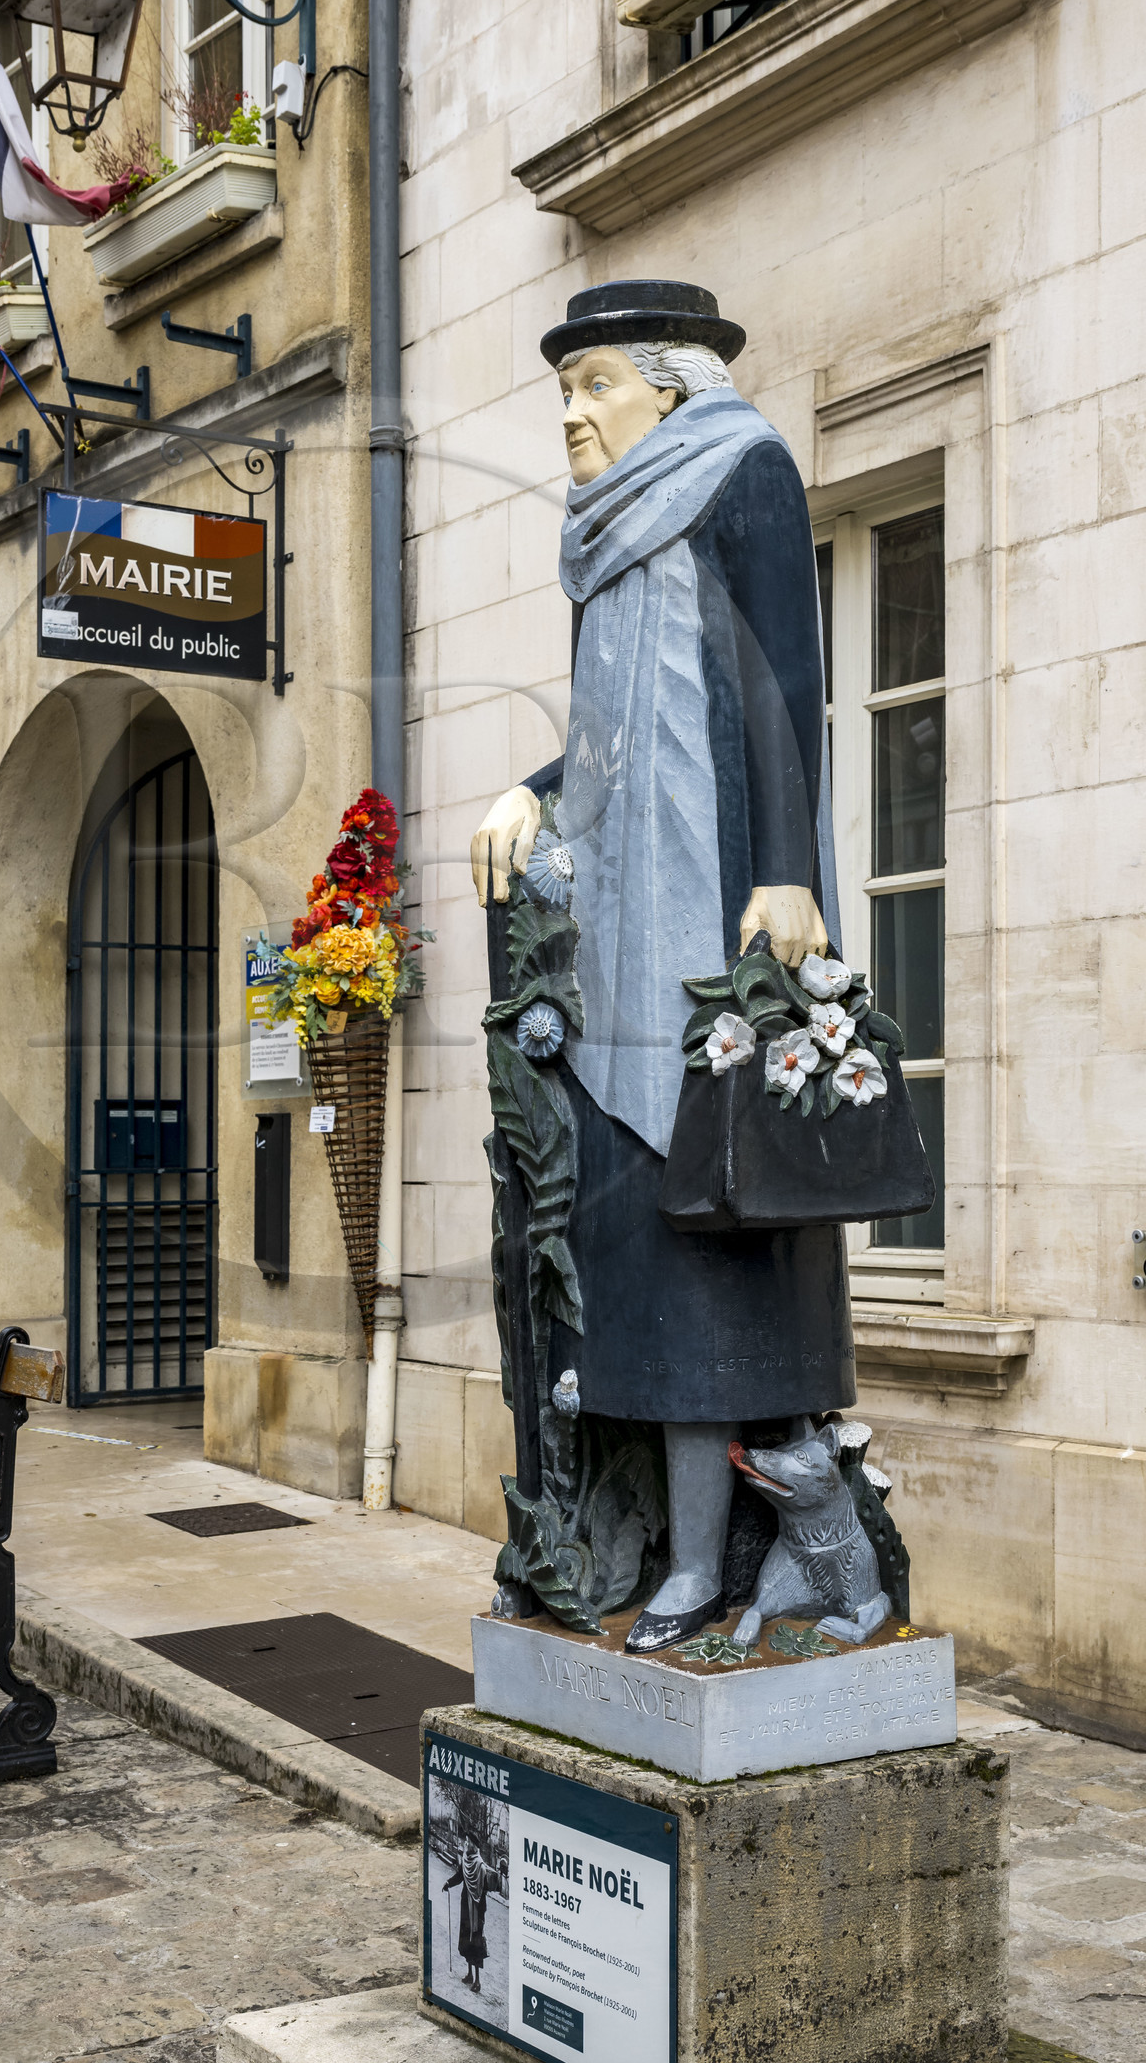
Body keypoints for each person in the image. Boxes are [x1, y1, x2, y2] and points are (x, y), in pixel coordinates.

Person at [470, 279, 857, 1656]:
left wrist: (789, 871)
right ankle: (654, 1550)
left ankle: (732, 1559)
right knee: (634, 1258)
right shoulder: (603, 531)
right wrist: (533, 789)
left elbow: (781, 685)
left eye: (596, 388)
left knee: (719, 1261)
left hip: (719, 937)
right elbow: (611, 733)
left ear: (673, 390)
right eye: (563, 392)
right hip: (618, 954)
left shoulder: (742, 470)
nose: (572, 415)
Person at [443, 1834, 501, 1995]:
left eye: (467, 1842)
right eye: (465, 1841)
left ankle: (477, 1980)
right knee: (465, 1940)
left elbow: (483, 1891)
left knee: (476, 1943)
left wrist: (481, 1915)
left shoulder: (480, 1866)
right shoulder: (466, 1861)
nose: (465, 1843)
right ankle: (469, 1974)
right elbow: (460, 1876)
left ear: (474, 1847)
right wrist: (448, 1883)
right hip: (465, 1907)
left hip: (476, 1910)